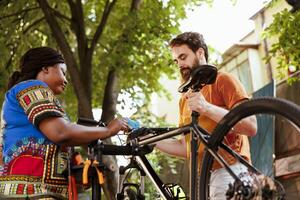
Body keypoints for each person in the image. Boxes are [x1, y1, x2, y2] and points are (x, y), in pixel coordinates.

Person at [0, 47, 128, 199]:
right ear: (46, 68)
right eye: (62, 72)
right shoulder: (32, 88)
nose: (66, 80)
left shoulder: (28, 96)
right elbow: (61, 132)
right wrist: (108, 130)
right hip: (31, 192)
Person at [156, 32, 257, 199]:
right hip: (202, 180)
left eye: (183, 57)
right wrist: (151, 142)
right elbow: (185, 147)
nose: (180, 64)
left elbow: (250, 125)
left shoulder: (222, 80)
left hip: (230, 171)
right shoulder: (185, 99)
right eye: (177, 61)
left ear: (200, 53)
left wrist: (206, 108)